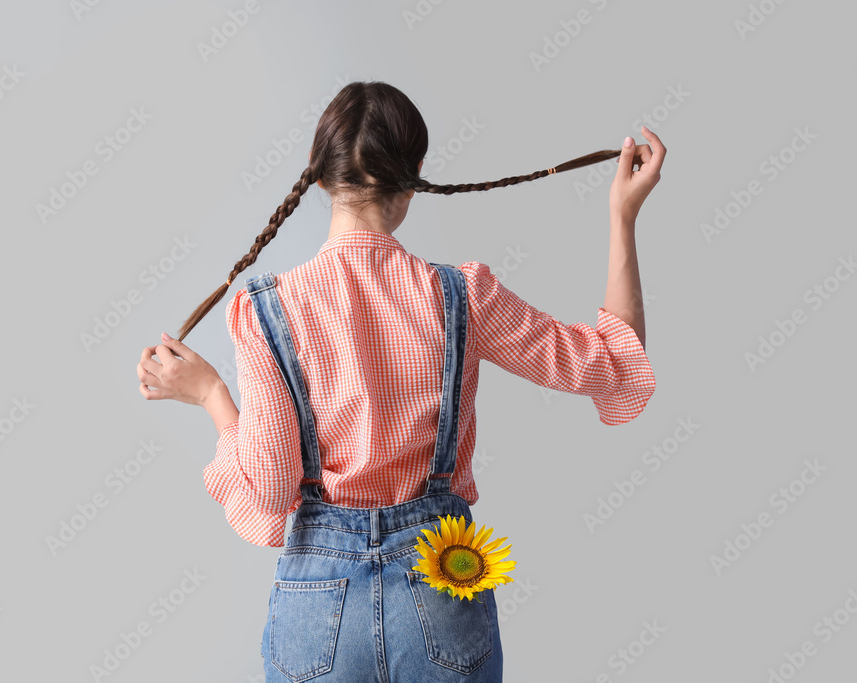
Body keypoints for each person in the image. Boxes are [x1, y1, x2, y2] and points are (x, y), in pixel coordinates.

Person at [135, 81, 666, 681]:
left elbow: (268, 492)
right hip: (442, 584)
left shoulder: (267, 310)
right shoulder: (462, 295)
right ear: (413, 175)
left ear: (321, 178)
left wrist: (210, 395)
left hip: (319, 607)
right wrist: (623, 218)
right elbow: (613, 366)